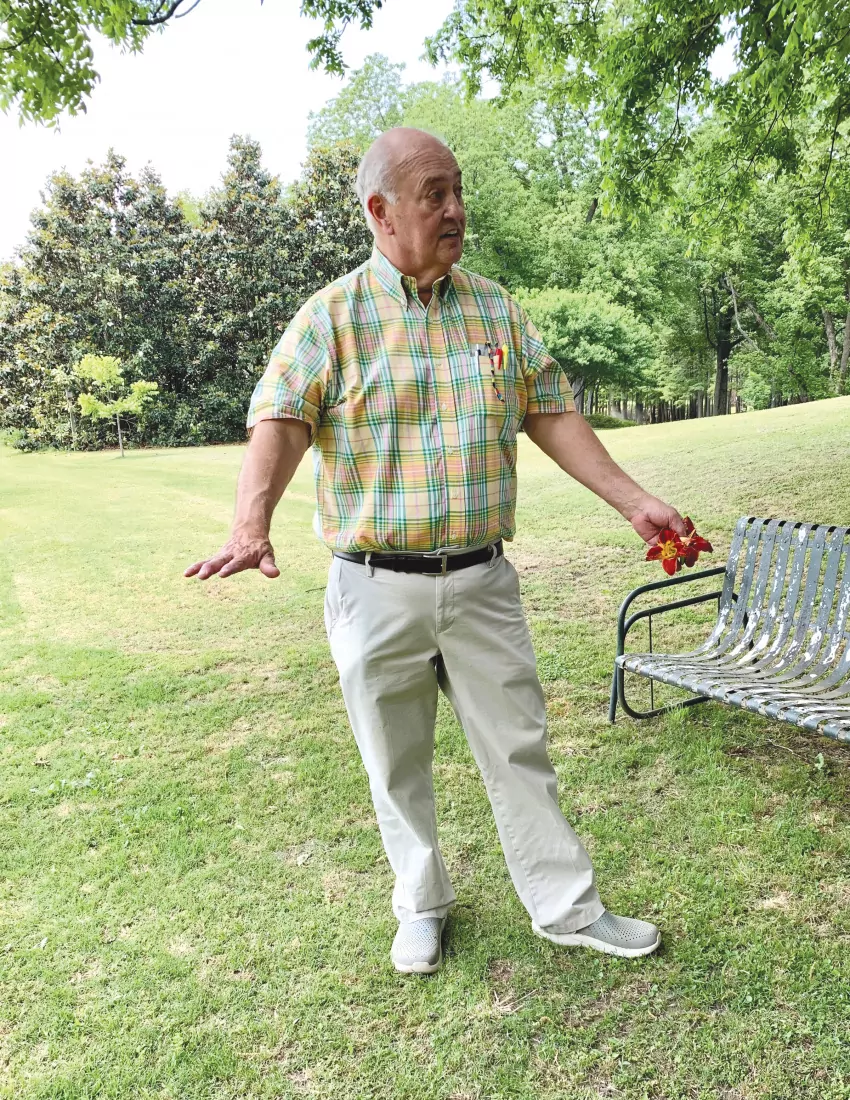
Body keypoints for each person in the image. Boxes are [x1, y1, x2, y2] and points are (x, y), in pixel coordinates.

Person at [186, 127, 686, 975]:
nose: (455, 210)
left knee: (519, 748)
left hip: (482, 578)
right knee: (395, 760)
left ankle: (566, 908)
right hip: (375, 585)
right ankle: (420, 905)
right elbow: (280, 419)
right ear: (380, 211)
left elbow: (550, 410)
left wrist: (634, 500)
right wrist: (250, 523)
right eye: (434, 194)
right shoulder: (331, 317)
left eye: (457, 191)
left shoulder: (494, 308)